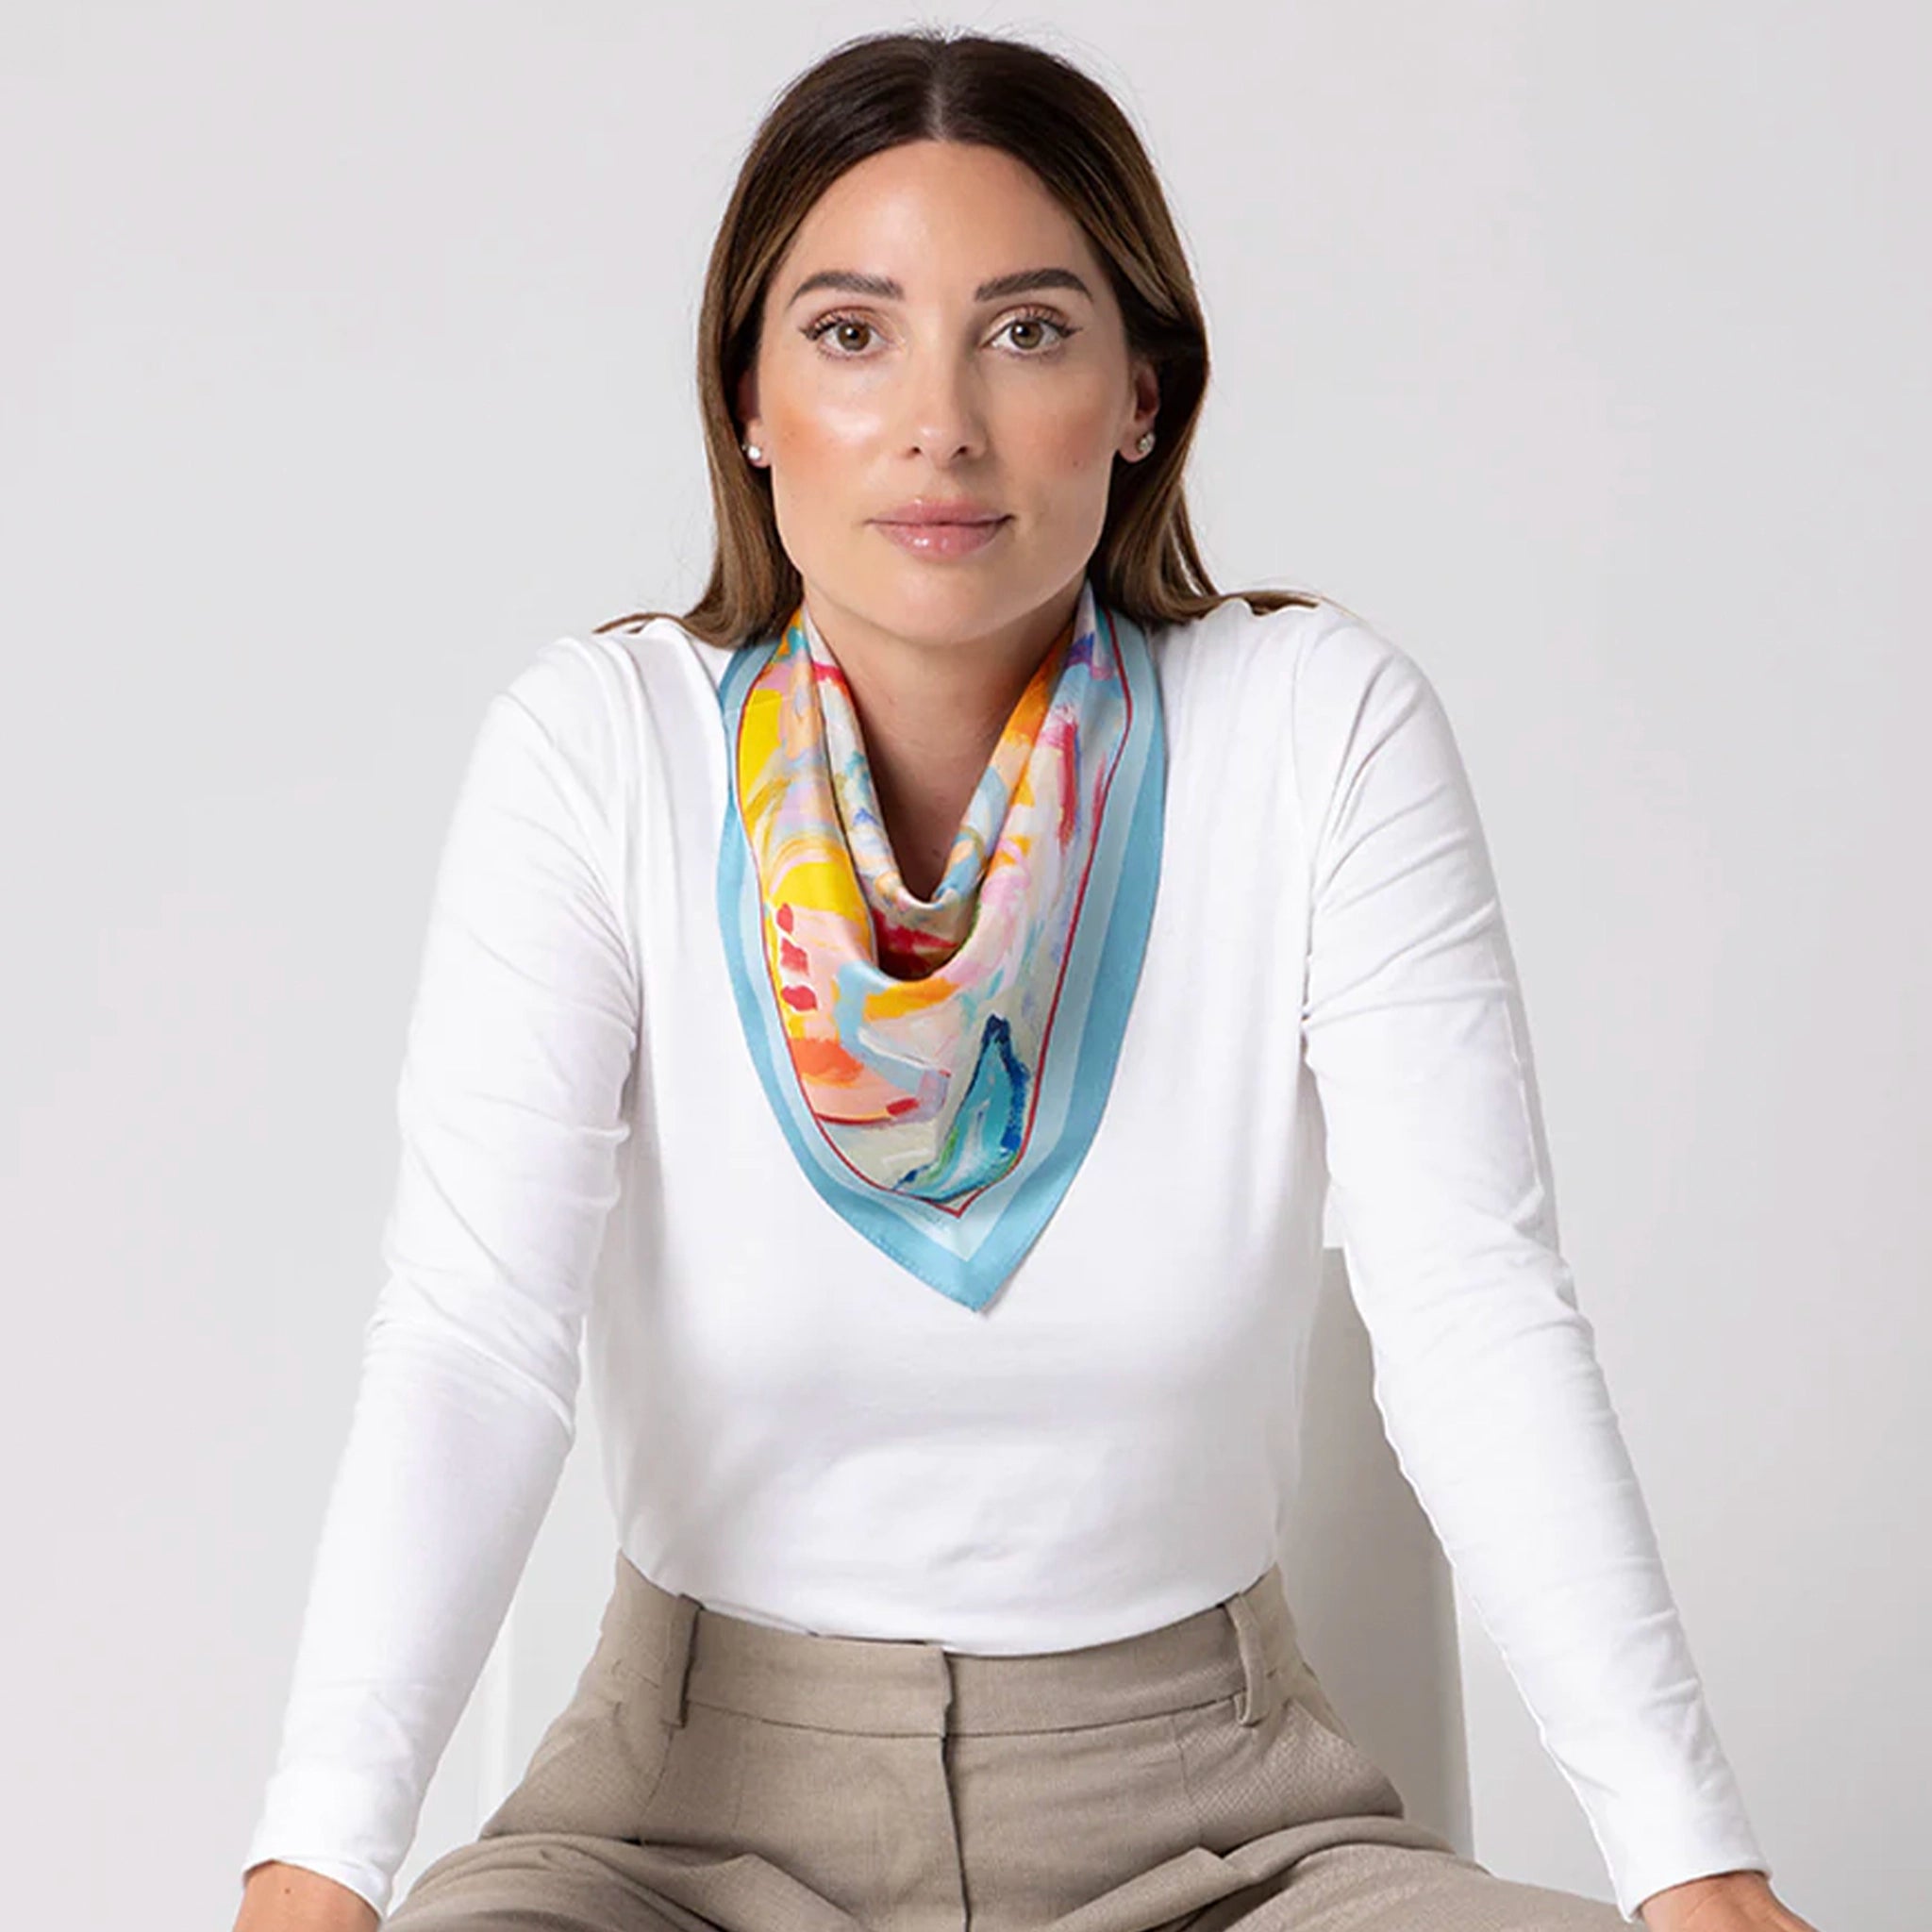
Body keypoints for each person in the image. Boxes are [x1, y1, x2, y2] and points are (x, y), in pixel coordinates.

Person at [233, 28, 1819, 1932]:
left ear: (1142, 393)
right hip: (678, 1827)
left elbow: (1470, 1304)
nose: (939, 424)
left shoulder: (1313, 729)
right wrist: (312, 1868)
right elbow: (473, 1334)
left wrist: (1689, 1868)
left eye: (1026, 331)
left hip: (1229, 1828)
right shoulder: (596, 747)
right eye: (848, 332)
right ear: (744, 396)